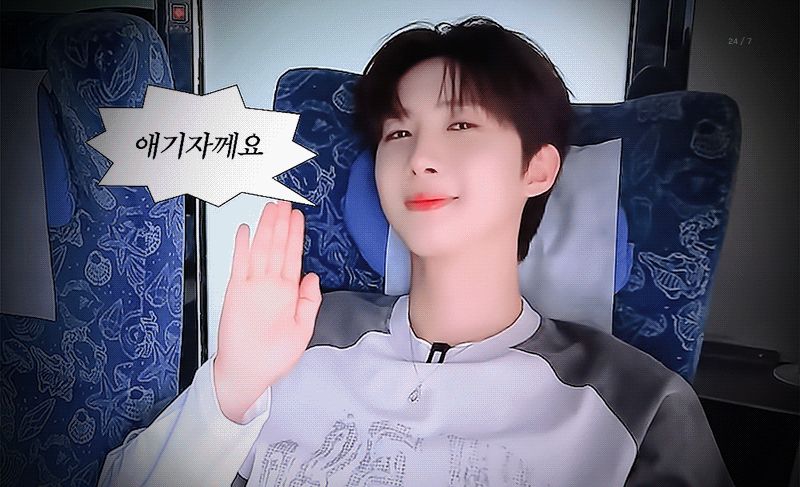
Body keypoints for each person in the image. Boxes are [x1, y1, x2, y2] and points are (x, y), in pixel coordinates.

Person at [99, 17, 734, 486]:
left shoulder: (638, 402)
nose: (421, 156)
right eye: (398, 132)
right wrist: (229, 389)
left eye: (461, 124)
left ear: (537, 169)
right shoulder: (295, 336)